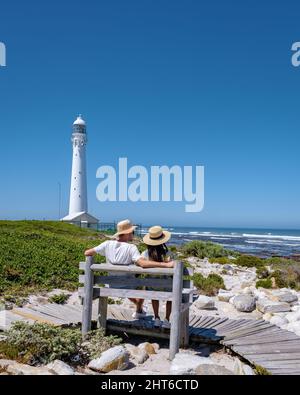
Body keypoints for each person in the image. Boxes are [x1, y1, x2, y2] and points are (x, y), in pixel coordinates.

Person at [84, 219, 174, 319]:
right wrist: (165, 265)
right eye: (132, 232)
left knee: (138, 283)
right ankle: (139, 308)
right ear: (127, 233)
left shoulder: (106, 244)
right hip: (128, 285)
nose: (133, 234)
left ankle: (139, 309)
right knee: (142, 285)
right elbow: (142, 263)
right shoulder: (131, 247)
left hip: (110, 285)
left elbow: (87, 253)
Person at [142, 226, 174, 329]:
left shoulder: (145, 254)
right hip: (167, 286)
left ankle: (156, 318)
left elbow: (139, 263)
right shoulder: (168, 254)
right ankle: (167, 319)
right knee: (171, 295)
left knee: (154, 293)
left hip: (152, 285)